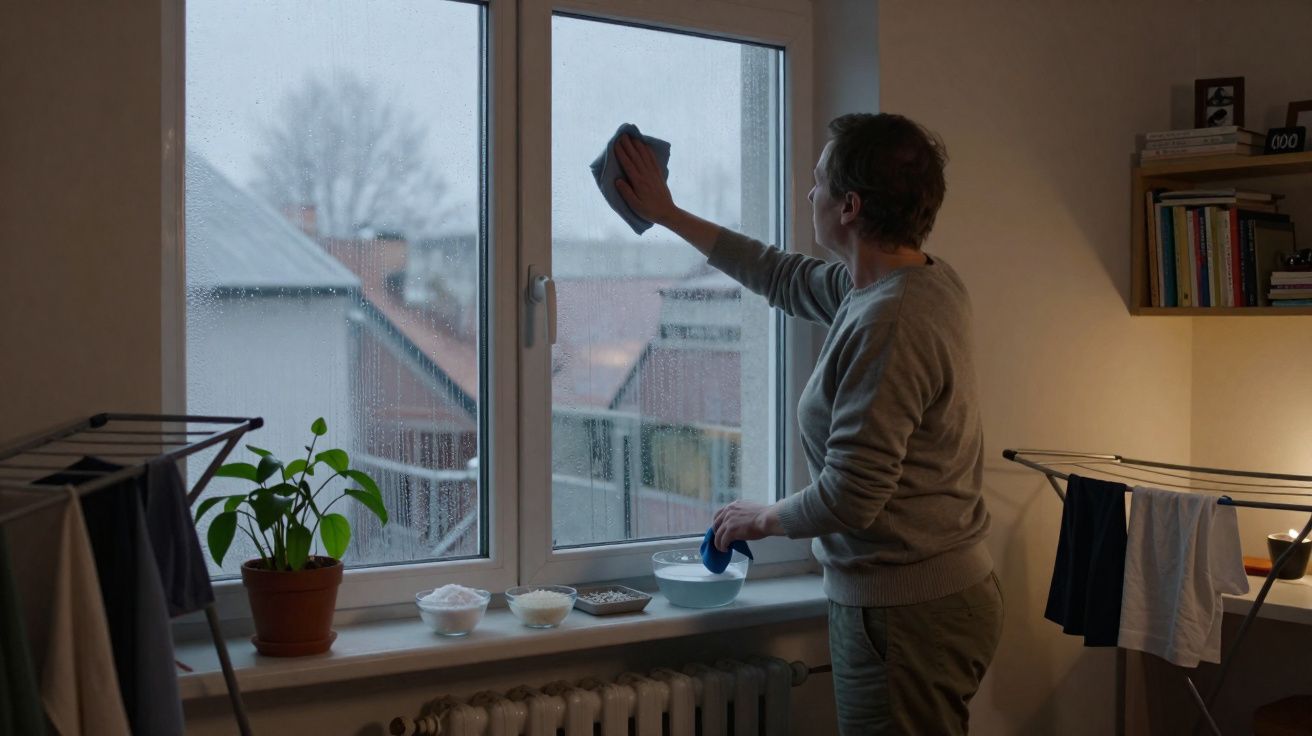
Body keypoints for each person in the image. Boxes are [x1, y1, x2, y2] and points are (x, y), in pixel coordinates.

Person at [614, 112, 1002, 735]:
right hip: (922, 601)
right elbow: (781, 275)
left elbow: (855, 492)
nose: (808, 193)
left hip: (907, 614)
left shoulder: (891, 319)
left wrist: (762, 518)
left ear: (849, 206)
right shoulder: (895, 284)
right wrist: (670, 213)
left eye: (818, 182)